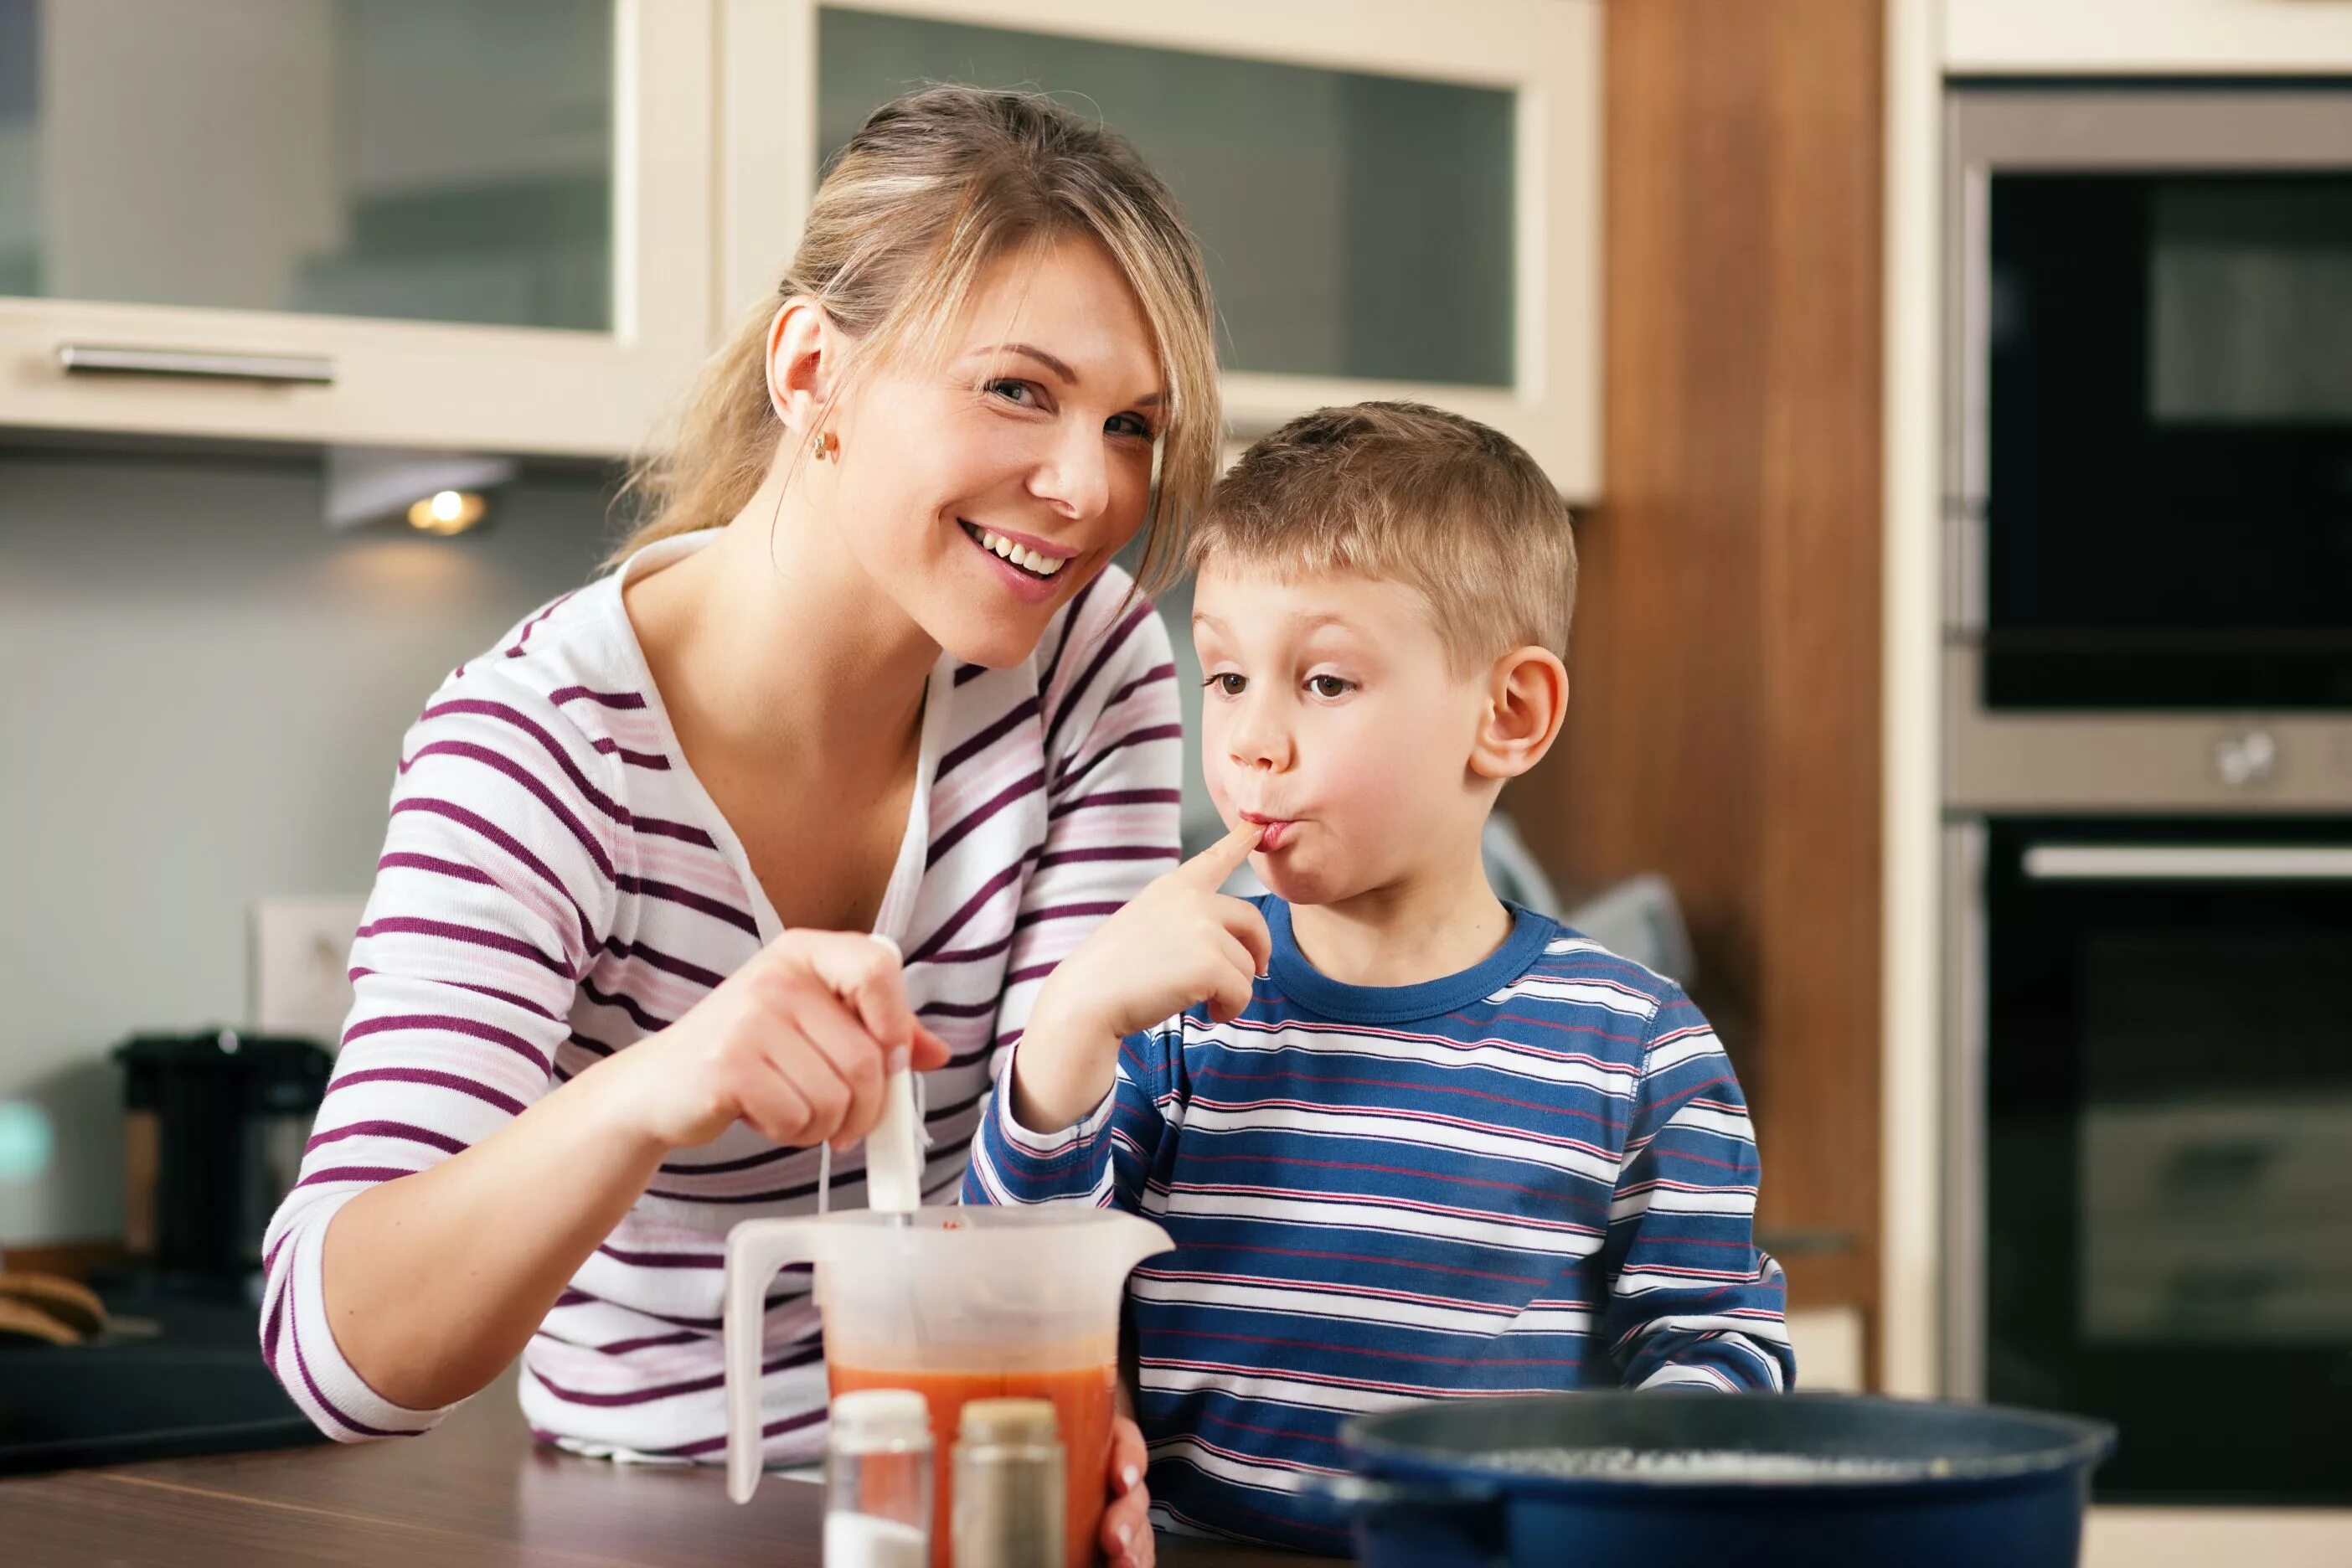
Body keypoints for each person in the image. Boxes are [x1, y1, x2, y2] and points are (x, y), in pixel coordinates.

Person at [260, 87, 1221, 1567]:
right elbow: (340, 1360)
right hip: (647, 1512)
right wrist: (660, 1080)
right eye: (1018, 391)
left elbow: (1042, 1230)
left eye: (1133, 426)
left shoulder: (1085, 665)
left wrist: (1063, 1413)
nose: (1088, 488)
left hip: (977, 1485)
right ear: (811, 370)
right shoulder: (540, 749)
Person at [965, 402, 1795, 1553]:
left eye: (1325, 683)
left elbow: (1716, 1350)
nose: (1252, 741)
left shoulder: (1636, 1048)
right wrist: (1067, 1034)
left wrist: (1625, 1502)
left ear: (1508, 714)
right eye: (1226, 677)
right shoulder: (1176, 1023)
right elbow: (1014, 1308)